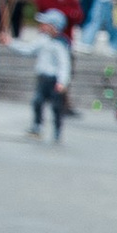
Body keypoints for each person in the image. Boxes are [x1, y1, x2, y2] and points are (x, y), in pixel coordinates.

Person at [27, 10, 74, 143]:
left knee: (56, 107)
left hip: (54, 80)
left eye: (45, 24)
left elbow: (64, 65)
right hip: (43, 78)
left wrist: (62, 82)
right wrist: (10, 43)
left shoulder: (60, 44)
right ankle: (37, 126)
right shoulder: (43, 40)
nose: (42, 26)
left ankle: (57, 130)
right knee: (37, 101)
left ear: (54, 26)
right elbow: (28, 49)